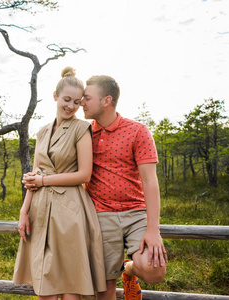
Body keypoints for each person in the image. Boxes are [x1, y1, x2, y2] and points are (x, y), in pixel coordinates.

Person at [13, 67, 107, 299]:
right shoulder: (42, 132)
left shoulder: (81, 128)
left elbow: (84, 175)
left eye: (77, 102)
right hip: (40, 210)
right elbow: (34, 176)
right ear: (55, 95)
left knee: (68, 284)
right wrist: (24, 212)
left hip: (69, 211)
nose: (71, 106)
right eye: (66, 100)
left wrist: (44, 180)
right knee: (44, 286)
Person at [80, 75, 168, 300]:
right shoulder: (84, 133)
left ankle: (128, 271)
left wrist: (153, 229)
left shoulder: (137, 131)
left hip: (136, 213)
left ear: (106, 100)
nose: (82, 102)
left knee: (155, 270)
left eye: (87, 98)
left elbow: (150, 181)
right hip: (100, 214)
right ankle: (118, 274)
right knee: (104, 286)